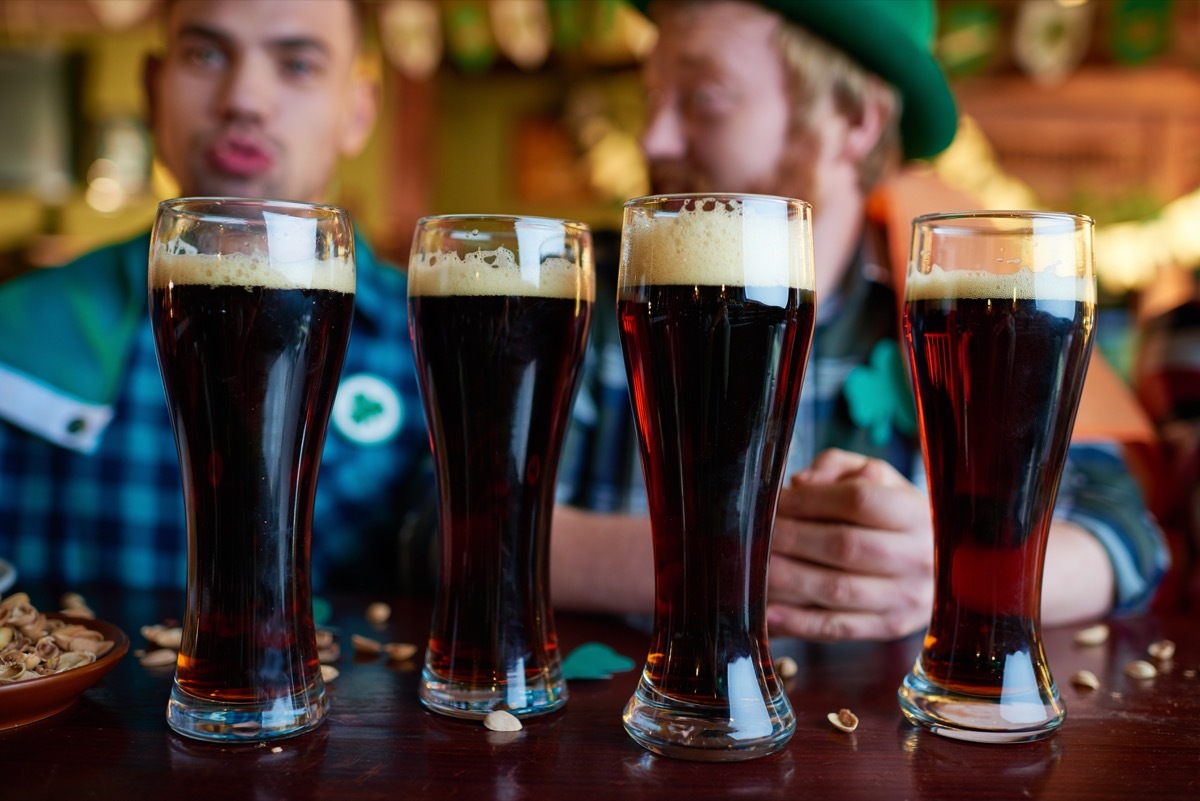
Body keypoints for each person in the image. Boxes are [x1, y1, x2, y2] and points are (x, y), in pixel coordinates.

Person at [550, 0, 1170, 639]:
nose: (654, 138)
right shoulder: (590, 289)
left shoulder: (968, 306)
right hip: (637, 719)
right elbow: (453, 518)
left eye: (704, 97)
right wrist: (747, 563)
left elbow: (1125, 536)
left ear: (855, 119)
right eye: (652, 95)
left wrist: (943, 573)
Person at [0, 0, 434, 593]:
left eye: (298, 64)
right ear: (154, 88)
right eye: (205, 54)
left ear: (357, 113)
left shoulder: (434, 342)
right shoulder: (17, 337)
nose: (243, 100)